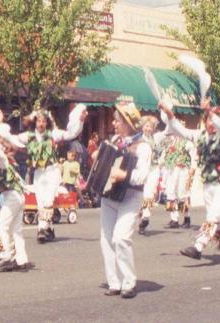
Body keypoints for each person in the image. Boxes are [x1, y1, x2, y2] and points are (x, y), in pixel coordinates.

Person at [159, 98, 220, 265]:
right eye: (208, 120)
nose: (211, 123)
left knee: (212, 217)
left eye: (213, 120)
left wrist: (210, 110)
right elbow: (180, 129)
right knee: (217, 222)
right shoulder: (199, 136)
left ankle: (198, 247)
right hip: (208, 185)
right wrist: (168, 113)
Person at [96, 102, 150, 299]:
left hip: (130, 197)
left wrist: (123, 175)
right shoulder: (116, 140)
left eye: (117, 120)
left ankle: (129, 282)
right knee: (106, 239)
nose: (114, 123)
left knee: (121, 237)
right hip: (109, 195)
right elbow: (104, 160)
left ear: (128, 122)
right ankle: (114, 283)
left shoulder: (143, 147)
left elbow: (141, 176)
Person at [14, 104, 86, 242]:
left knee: (48, 200)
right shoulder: (28, 136)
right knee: (41, 202)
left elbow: (71, 134)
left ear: (47, 122)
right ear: (35, 122)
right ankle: (50, 229)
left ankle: (41, 230)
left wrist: (80, 121)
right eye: (39, 121)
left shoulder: (53, 134)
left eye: (43, 121)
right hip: (39, 173)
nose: (41, 123)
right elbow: (14, 139)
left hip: (52, 171)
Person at [0, 131, 30, 272]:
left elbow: (0, 154)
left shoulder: (3, 160)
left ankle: (6, 256)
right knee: (16, 230)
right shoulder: (9, 162)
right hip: (17, 196)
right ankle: (21, 259)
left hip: (13, 197)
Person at [137, 116, 167, 235]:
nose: (148, 128)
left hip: (154, 168)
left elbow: (167, 131)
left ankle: (145, 216)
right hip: (142, 169)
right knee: (141, 195)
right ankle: (142, 219)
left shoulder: (155, 138)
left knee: (149, 192)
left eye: (150, 126)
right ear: (143, 127)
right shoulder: (139, 139)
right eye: (146, 126)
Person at [160, 134, 195, 230]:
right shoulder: (169, 142)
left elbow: (193, 156)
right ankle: (174, 219)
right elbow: (164, 155)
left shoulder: (187, 142)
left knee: (182, 194)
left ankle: (187, 218)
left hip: (182, 170)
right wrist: (161, 165)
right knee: (171, 194)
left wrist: (192, 168)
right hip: (171, 170)